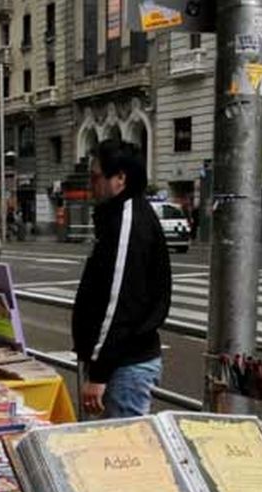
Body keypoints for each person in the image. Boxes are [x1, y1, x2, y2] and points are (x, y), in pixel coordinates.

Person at [72, 139, 172, 419]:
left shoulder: (129, 221)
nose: (92, 185)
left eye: (95, 177)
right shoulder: (117, 217)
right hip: (119, 363)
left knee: (126, 454)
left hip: (125, 366)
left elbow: (119, 303)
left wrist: (99, 373)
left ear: (120, 178)